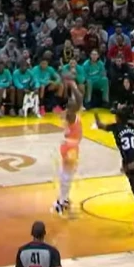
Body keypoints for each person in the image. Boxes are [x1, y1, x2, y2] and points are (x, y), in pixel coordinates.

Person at [94, 110, 134, 230]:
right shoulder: (133, 126)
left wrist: (96, 116)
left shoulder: (116, 127)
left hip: (129, 163)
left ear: (118, 118)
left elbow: (100, 125)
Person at [53, 79, 83, 215]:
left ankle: (63, 199)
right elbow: (79, 100)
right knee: (67, 176)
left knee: (68, 175)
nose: (73, 102)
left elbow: (78, 101)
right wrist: (73, 86)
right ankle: (60, 202)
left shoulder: (71, 114)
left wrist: (72, 86)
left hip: (70, 145)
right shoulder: (70, 115)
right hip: (70, 146)